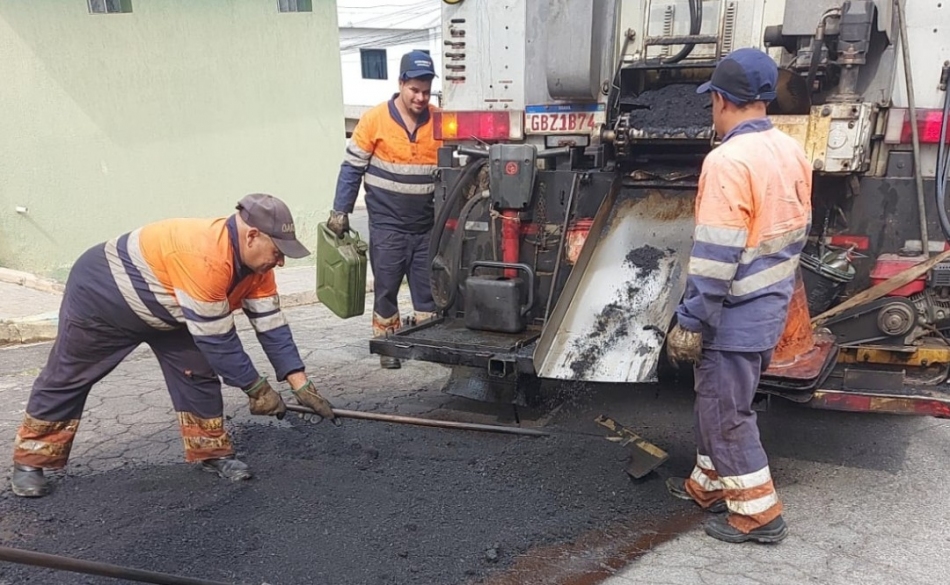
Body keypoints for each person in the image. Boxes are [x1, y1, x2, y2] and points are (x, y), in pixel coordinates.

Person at [10, 193, 338, 498]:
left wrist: (300, 383)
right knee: (69, 374)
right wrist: (257, 390)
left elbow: (272, 326)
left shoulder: (259, 268)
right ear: (252, 236)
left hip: (171, 307)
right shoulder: (204, 256)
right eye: (278, 252)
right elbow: (219, 339)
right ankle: (31, 460)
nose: (280, 262)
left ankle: (212, 452)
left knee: (197, 371)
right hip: (104, 298)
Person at [664, 48, 812, 544]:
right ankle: (708, 483)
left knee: (727, 413)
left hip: (734, 312)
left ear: (722, 100)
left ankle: (759, 515)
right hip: (769, 304)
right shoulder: (791, 151)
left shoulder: (728, 160)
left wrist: (691, 319)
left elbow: (714, 258)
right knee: (716, 400)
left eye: (712, 102)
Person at [327, 50, 442, 369]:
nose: (420, 97)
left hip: (425, 225)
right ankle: (389, 346)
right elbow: (351, 168)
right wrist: (340, 211)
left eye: (426, 91)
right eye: (414, 90)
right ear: (401, 83)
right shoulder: (374, 119)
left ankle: (425, 343)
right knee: (386, 288)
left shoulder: (439, 121)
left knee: (427, 291)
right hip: (387, 225)